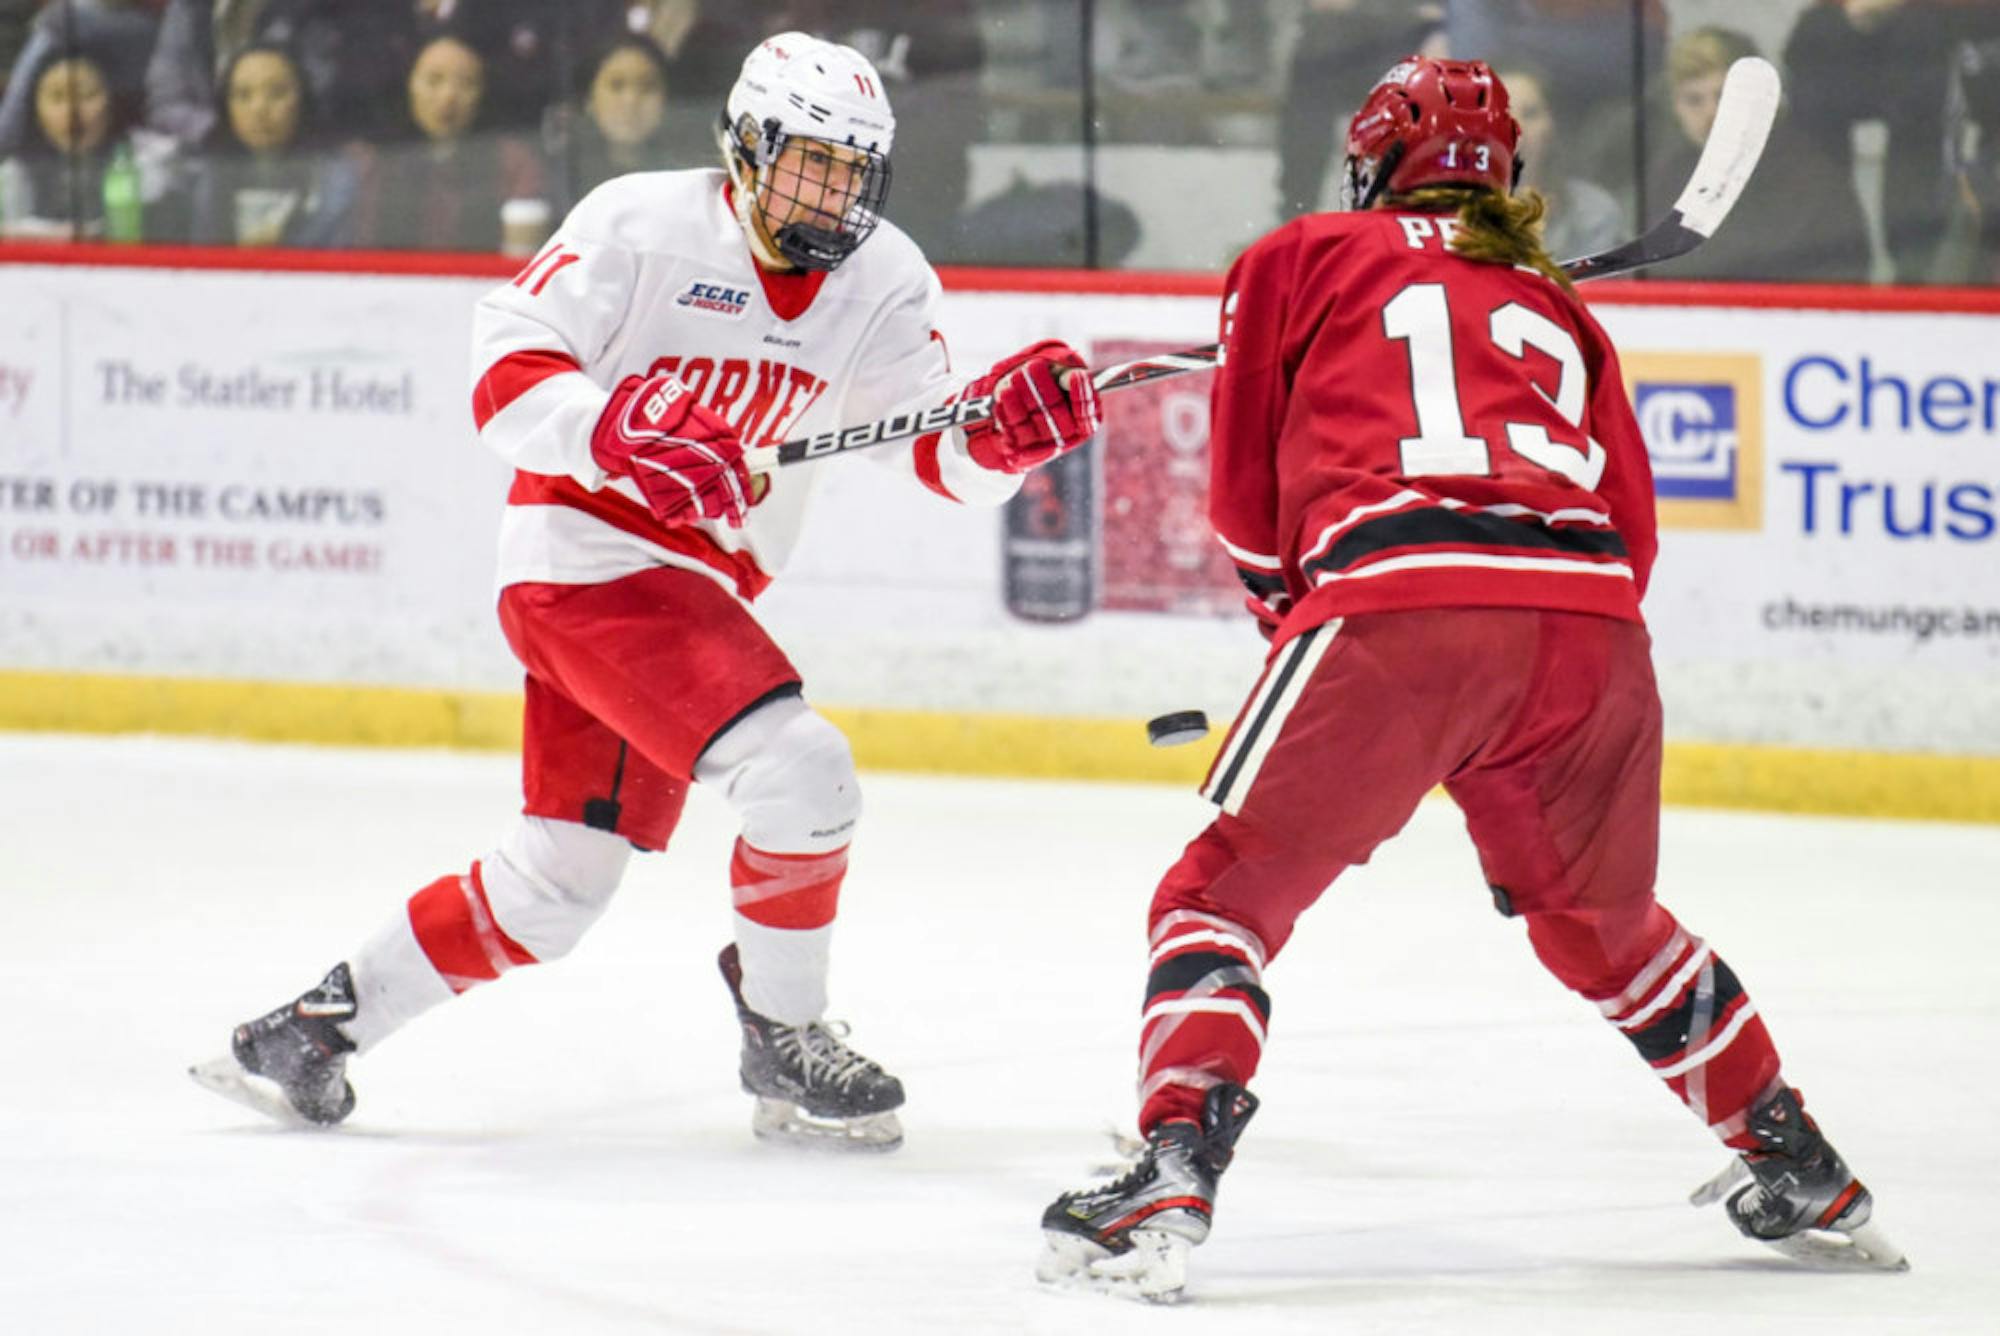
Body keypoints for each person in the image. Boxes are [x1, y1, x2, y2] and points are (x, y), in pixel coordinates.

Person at [1037, 56, 1905, 1301]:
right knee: (1602, 928)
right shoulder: (1554, 304)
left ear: (1371, 160)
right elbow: (1631, 527)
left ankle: (1172, 1161)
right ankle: (1795, 1157)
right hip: (1589, 629)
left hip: (1396, 613)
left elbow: (1243, 506)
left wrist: (1308, 629)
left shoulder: (1295, 256)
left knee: (1215, 901)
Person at [190, 32, 1102, 1153]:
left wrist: (999, 442)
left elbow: (929, 451)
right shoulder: (643, 225)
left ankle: (311, 1036)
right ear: (745, 144)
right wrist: (609, 429)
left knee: (554, 886)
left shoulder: (884, 281)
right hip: (581, 556)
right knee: (801, 770)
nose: (834, 192)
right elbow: (503, 364)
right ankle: (785, 1026)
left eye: (854, 169)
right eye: (811, 162)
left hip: (693, 587)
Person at [1644, 26, 1869, 281]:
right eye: (1694, 100)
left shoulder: (1809, 180)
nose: (1711, 113)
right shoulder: (1669, 176)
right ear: (1676, 107)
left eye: (1724, 96)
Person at [351, 29, 544, 252]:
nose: (448, 97)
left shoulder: (513, 162)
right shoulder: (374, 160)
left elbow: (521, 260)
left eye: (466, 83)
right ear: (409, 86)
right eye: (434, 81)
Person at [182, 41, 359, 246]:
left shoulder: (337, 177)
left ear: (302, 100)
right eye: (243, 95)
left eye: (277, 93)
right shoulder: (209, 175)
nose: (259, 109)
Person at [1499, 62, 1625, 262]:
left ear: (1550, 126)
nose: (1517, 131)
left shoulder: (1594, 213)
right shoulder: (1443, 214)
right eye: (1501, 115)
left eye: (1530, 114)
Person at [546, 33, 674, 215]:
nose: (631, 101)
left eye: (647, 86)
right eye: (616, 85)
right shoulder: (565, 179)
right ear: (589, 100)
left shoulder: (683, 181)